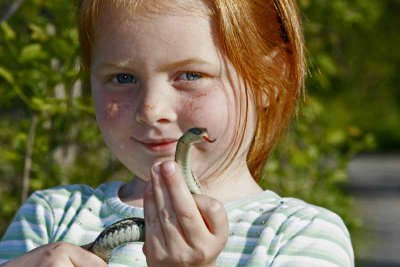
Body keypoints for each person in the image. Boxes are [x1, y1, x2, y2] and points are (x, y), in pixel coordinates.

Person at [0, 0, 354, 266]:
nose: (151, 110)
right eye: (122, 78)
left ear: (271, 78)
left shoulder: (298, 235)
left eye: (190, 75)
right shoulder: (50, 216)